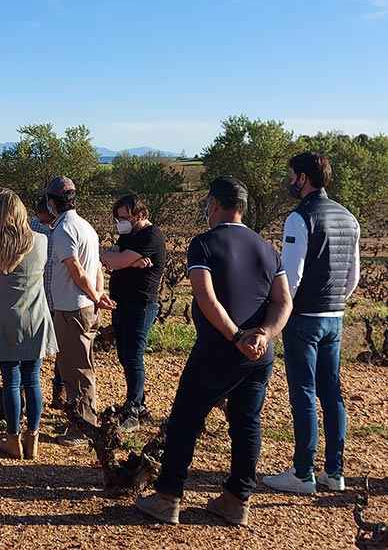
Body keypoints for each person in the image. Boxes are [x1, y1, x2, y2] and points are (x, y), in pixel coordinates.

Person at [136, 176, 292, 527]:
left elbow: (206, 298)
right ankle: (237, 500)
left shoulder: (204, 244)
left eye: (208, 203)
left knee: (185, 421)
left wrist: (236, 337)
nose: (206, 209)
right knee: (247, 423)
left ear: (216, 204)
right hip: (259, 355)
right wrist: (264, 335)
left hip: (218, 350)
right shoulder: (268, 249)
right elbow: (284, 301)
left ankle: (168, 497)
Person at [263, 153, 360, 495]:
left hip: (304, 318)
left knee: (303, 392)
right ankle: (334, 471)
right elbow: (353, 277)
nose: (289, 181)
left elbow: (292, 275)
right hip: (335, 316)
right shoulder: (349, 218)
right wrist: (334, 300)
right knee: (331, 393)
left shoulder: (299, 218)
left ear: (303, 178)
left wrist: (279, 309)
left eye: (291, 175)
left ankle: (303, 473)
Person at [0, 190, 56, 460]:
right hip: (36, 315)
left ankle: (13, 439)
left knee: (10, 382)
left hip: (5, 318)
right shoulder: (41, 240)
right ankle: (33, 436)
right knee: (33, 379)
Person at [45, 176, 114, 443]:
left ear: (52, 202)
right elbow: (95, 268)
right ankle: (79, 422)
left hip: (71, 307)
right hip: (82, 305)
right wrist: (98, 296)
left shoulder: (64, 231)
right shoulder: (87, 227)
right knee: (74, 366)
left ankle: (84, 426)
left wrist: (95, 295)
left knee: (78, 368)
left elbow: (77, 271)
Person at [101, 194, 167, 433]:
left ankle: (135, 409)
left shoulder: (151, 236)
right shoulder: (129, 235)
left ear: (140, 214)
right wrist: (123, 260)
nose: (121, 223)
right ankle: (136, 401)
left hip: (140, 305)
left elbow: (116, 259)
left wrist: (121, 260)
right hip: (122, 303)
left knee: (133, 356)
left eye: (125, 218)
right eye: (118, 218)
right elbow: (111, 256)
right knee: (125, 355)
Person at [29, 194, 58, 312]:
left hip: (58, 291)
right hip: (39, 287)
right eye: (42, 222)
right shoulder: (34, 225)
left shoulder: (64, 228)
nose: (46, 226)